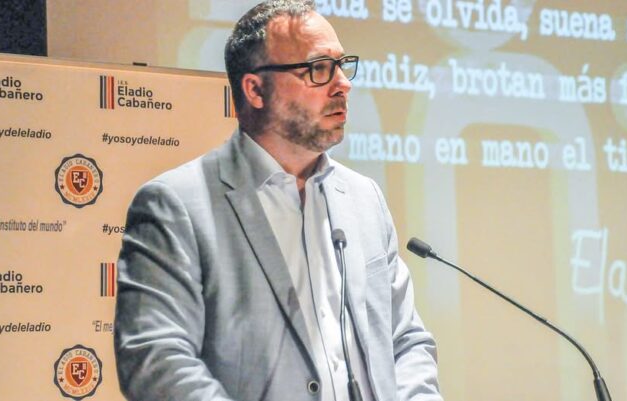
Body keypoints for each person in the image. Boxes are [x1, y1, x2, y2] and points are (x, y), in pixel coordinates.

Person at [114, 1, 442, 400]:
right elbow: (156, 361)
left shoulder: (364, 199)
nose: (343, 83)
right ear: (254, 89)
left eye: (342, 65)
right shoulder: (176, 206)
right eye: (318, 69)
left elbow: (406, 341)